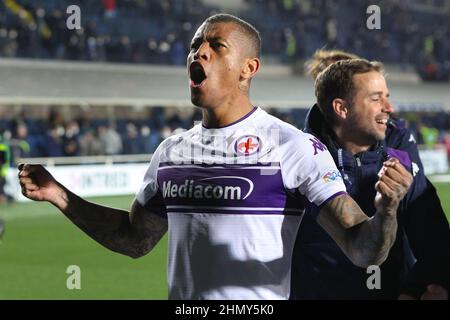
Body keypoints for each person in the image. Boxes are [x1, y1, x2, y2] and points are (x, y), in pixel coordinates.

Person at [18, 14, 412, 300]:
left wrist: (387, 210)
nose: (199, 52)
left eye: (215, 46)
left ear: (248, 68)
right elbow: (134, 240)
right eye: (195, 45)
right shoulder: (171, 152)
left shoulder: (293, 147)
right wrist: (60, 196)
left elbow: (363, 250)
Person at [291, 52, 450, 300]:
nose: (389, 108)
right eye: (375, 98)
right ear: (339, 105)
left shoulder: (397, 144)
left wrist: (415, 289)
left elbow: (431, 234)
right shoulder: (298, 152)